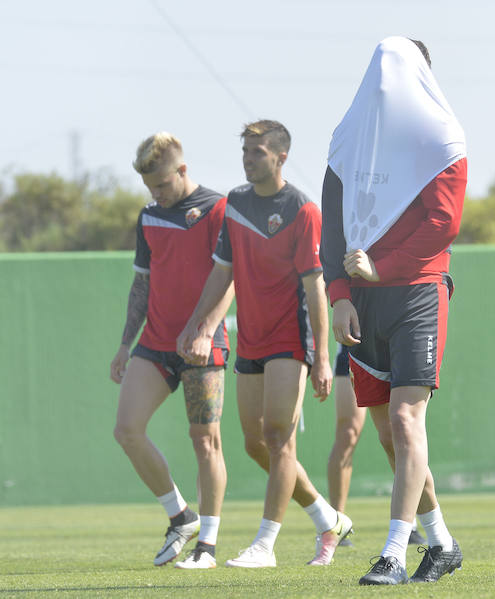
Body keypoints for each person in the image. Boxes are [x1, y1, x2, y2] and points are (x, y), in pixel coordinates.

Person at [321, 37, 466, 585]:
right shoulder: (348, 140)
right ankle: (443, 543)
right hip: (361, 301)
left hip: (417, 294)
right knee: (388, 435)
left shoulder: (442, 138)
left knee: (407, 422)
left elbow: (443, 223)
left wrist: (383, 266)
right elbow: (331, 224)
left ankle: (393, 554)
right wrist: (339, 294)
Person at [178, 120, 351, 568]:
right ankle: (327, 518)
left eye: (257, 152)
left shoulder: (302, 209)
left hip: (290, 339)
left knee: (278, 438)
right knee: (256, 443)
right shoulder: (234, 203)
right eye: (246, 152)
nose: (248, 159)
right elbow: (222, 271)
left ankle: (265, 545)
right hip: (250, 339)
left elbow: (315, 287)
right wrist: (198, 325)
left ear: (280, 157)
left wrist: (322, 360)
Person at [110, 132, 233, 569]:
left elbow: (229, 278)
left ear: (182, 170)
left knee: (205, 442)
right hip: (155, 345)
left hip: (204, 345)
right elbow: (141, 282)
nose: (156, 195)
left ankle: (209, 546)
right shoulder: (148, 217)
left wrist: (205, 331)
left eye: (162, 185)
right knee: (126, 430)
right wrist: (126, 344)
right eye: (150, 188)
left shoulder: (219, 209)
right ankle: (181, 516)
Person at [319, 344, 426, 551]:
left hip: (395, 351)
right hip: (354, 353)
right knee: (347, 433)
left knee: (397, 437)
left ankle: (410, 523)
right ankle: (336, 523)